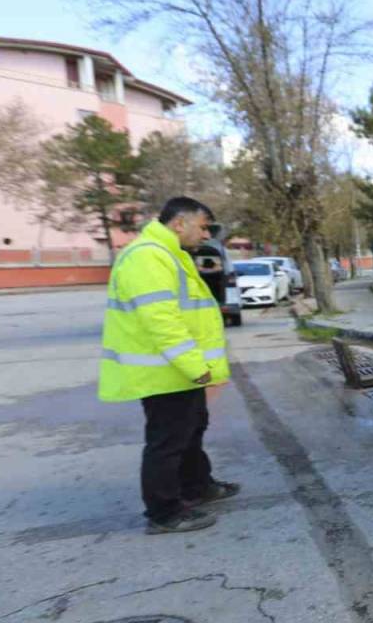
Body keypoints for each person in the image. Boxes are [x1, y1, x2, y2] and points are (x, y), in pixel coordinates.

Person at [99, 196, 240, 535]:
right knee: (168, 441)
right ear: (180, 223)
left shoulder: (168, 255)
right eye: (203, 226)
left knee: (192, 429)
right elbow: (161, 320)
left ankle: (197, 486)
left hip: (177, 370)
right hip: (164, 371)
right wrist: (194, 364)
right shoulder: (147, 257)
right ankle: (164, 512)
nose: (206, 235)